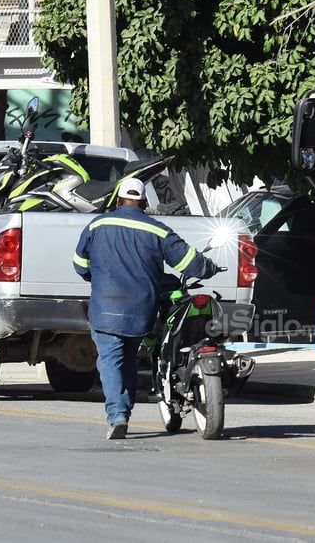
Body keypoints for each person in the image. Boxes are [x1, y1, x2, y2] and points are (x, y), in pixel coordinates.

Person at [73, 177, 219, 439]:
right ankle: (123, 411)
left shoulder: (96, 224)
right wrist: (209, 267)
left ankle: (118, 415)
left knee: (110, 359)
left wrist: (96, 276)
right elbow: (189, 262)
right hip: (142, 310)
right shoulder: (158, 230)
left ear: (117, 201)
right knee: (128, 356)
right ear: (143, 202)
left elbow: (80, 264)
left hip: (105, 308)